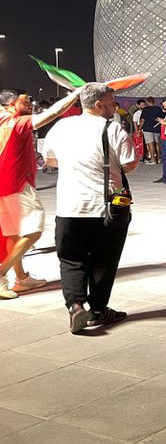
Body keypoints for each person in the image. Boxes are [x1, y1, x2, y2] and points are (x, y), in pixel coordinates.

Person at [43, 83, 138, 334]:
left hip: (69, 206)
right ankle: (97, 310)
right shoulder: (113, 128)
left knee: (71, 259)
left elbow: (50, 160)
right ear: (99, 105)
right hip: (105, 207)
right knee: (104, 260)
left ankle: (75, 306)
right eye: (112, 102)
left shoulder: (62, 126)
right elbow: (130, 165)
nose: (114, 106)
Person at [0, 87, 85, 298]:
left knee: (13, 233)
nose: (30, 105)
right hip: (18, 185)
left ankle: (21, 279)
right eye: (24, 103)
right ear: (11, 105)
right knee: (33, 230)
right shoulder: (17, 122)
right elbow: (52, 114)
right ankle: (2, 272)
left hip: (5, 186)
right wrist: (76, 95)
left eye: (30, 102)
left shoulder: (3, 120)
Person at [139, 96, 163, 164]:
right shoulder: (158, 109)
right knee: (157, 144)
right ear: (154, 101)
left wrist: (139, 128)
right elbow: (162, 118)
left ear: (147, 102)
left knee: (150, 144)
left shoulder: (145, 110)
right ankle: (158, 158)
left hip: (148, 128)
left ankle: (152, 159)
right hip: (157, 128)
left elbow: (142, 120)